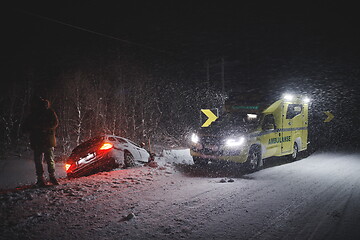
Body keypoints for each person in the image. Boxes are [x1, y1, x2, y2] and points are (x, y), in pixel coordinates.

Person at [23, 96, 59, 186]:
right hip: (40, 140)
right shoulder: (35, 114)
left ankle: (48, 177)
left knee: (46, 159)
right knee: (44, 160)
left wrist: (43, 128)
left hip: (44, 140)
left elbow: (55, 123)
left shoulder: (46, 112)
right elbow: (27, 126)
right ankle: (44, 177)